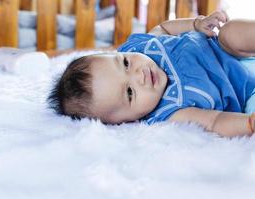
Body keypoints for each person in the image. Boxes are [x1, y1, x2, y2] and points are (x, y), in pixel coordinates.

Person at [48, 11, 255, 137]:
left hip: (229, 49)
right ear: (126, 121)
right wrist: (246, 124)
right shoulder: (168, 112)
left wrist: (196, 24)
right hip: (248, 90)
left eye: (126, 63)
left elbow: (163, 27)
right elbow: (214, 121)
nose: (140, 76)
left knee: (230, 31)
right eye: (130, 93)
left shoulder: (141, 46)